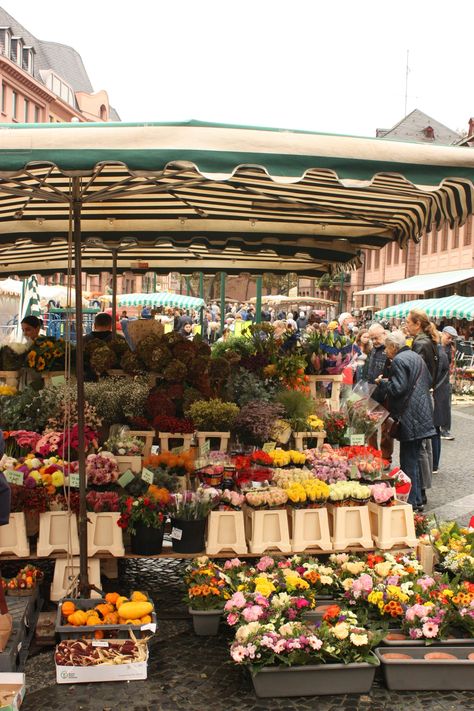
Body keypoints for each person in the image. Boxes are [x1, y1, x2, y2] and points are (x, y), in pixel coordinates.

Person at [375, 331, 435, 511]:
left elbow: (398, 388)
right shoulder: (416, 357)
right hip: (422, 413)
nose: (386, 351)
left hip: (411, 417)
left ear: (393, 347)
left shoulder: (399, 361)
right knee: (414, 459)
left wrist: (383, 383)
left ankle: (411, 503)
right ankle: (416, 500)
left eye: (387, 347)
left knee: (408, 461)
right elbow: (428, 380)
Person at [406, 309, 440, 503]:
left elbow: (414, 373)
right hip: (426, 395)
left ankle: (418, 495)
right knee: (422, 449)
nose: (406, 325)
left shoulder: (420, 343)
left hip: (419, 398)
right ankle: (421, 494)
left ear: (417, 324)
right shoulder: (430, 341)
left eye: (409, 322)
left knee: (418, 450)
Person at [366, 323, 394, 464]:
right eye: (372, 339)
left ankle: (385, 458)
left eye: (376, 338)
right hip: (372, 392)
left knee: (386, 430)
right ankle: (373, 456)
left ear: (384, 334)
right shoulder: (373, 349)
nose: (374, 341)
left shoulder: (390, 349)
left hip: (386, 394)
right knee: (370, 427)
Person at [439, 326, 458, 440]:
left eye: (452, 338)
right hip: (437, 380)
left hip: (446, 380)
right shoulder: (436, 347)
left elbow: (452, 365)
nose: (450, 340)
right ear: (443, 333)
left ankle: (445, 430)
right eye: (449, 337)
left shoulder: (451, 349)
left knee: (446, 405)